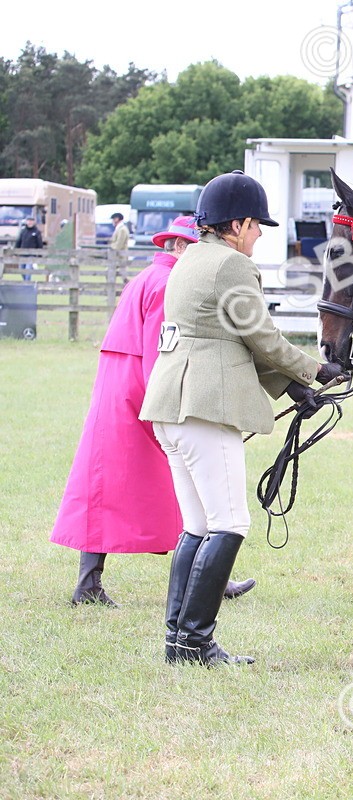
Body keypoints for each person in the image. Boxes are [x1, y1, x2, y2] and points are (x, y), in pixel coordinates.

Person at [140, 170, 342, 666]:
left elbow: (222, 340)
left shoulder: (188, 259)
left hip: (172, 405)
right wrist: (314, 370)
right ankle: (198, 641)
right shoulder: (231, 266)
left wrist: (291, 386)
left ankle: (178, 640)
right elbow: (262, 338)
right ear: (237, 224)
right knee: (229, 524)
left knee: (197, 525)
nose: (258, 237)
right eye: (256, 227)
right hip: (206, 408)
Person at [50, 216, 256, 606]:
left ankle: (89, 582)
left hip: (115, 387)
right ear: (178, 248)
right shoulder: (168, 283)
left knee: (104, 487)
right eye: (191, 246)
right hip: (141, 389)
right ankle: (211, 580)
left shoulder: (145, 276)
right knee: (198, 485)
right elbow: (161, 352)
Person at [14, 217, 44, 281]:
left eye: (31, 221)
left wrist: (40, 254)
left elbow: (39, 243)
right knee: (21, 270)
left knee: (28, 270)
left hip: (31, 255)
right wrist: (15, 252)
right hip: (22, 254)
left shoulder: (37, 232)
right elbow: (18, 241)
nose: (30, 222)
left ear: (34, 222)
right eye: (29, 221)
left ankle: (27, 284)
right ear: (26, 222)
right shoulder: (23, 231)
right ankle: (25, 282)